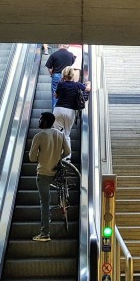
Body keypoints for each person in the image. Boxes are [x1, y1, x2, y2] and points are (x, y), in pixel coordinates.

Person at [28, 111, 71, 242]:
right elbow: (68, 152)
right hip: (56, 172)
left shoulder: (39, 136)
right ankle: (63, 205)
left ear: (46, 121)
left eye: (40, 119)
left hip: (43, 173)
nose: (38, 121)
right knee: (55, 196)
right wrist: (58, 158)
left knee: (45, 203)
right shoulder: (60, 134)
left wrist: (40, 157)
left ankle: (45, 233)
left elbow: (31, 158)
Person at [53, 66, 91, 151]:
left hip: (58, 109)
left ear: (63, 75)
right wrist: (88, 83)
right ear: (73, 75)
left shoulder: (60, 84)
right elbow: (87, 89)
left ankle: (57, 153)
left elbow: (55, 96)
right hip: (70, 111)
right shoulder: (77, 85)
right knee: (66, 134)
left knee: (57, 132)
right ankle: (67, 157)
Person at [44, 44, 76, 109]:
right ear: (66, 46)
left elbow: (49, 67)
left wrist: (52, 74)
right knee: (66, 94)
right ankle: (65, 110)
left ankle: (55, 114)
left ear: (60, 46)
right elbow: (72, 64)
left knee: (55, 95)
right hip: (67, 76)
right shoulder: (71, 55)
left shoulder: (54, 54)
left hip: (56, 75)